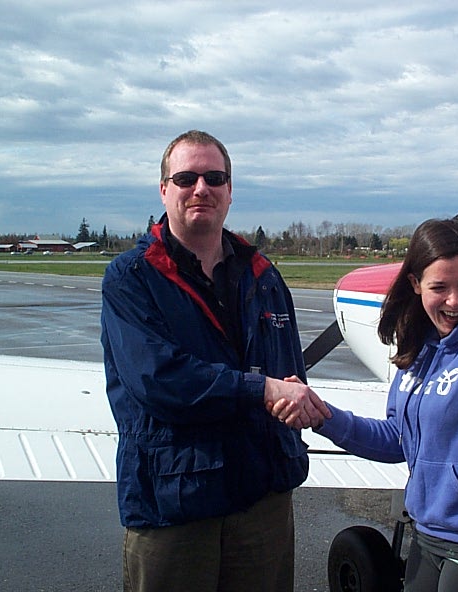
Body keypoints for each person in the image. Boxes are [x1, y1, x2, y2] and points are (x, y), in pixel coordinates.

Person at [100, 130, 330, 592]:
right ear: (164, 190)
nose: (200, 188)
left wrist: (299, 404)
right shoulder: (131, 277)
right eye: (185, 178)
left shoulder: (263, 275)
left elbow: (291, 373)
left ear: (229, 191)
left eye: (214, 177)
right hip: (176, 502)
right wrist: (264, 390)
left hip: (262, 500)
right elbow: (160, 381)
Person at [274, 218, 458, 592]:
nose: (455, 300)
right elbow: (397, 440)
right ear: (415, 284)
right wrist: (324, 417)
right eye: (440, 287)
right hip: (427, 539)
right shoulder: (421, 347)